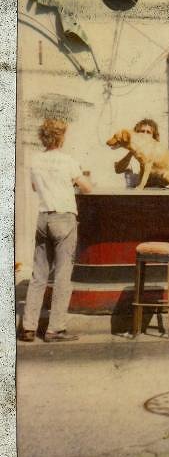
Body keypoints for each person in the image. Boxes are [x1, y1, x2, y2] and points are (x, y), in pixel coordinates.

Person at [18, 118, 93, 342]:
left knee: (38, 275)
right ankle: (55, 329)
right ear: (61, 137)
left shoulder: (36, 160)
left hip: (43, 217)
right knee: (62, 275)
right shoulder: (68, 160)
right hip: (64, 217)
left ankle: (28, 327)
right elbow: (87, 188)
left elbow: (34, 186)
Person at [114, 118, 160, 187]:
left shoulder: (158, 152)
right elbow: (118, 170)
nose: (144, 134)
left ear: (153, 136)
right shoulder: (127, 151)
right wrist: (131, 152)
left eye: (148, 132)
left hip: (153, 192)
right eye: (142, 131)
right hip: (133, 192)